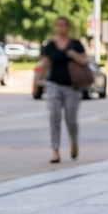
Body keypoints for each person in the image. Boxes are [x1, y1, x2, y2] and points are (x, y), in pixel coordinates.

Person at [39, 17, 89, 164]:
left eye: (64, 25)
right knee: (54, 117)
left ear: (68, 27)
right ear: (55, 27)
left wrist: (73, 54)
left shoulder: (75, 44)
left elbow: (85, 61)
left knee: (71, 119)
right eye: (58, 25)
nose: (61, 28)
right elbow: (45, 64)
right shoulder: (50, 45)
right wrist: (38, 81)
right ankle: (56, 151)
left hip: (72, 87)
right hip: (54, 84)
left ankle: (74, 141)